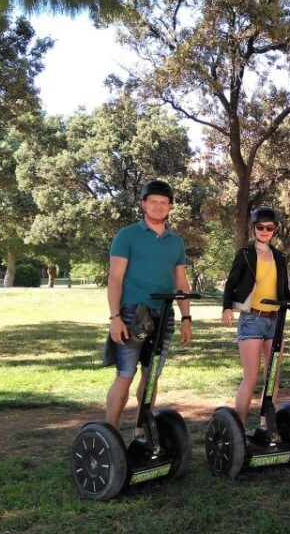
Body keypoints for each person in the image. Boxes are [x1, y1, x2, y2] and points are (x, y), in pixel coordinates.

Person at [104, 180, 193, 440]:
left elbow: (181, 282)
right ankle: (108, 435)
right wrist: (115, 318)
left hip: (164, 314)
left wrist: (187, 317)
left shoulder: (176, 242)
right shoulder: (127, 235)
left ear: (170, 207)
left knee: (151, 375)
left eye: (163, 202)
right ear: (143, 204)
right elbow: (115, 279)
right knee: (125, 375)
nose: (158, 206)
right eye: (153, 201)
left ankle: (142, 434)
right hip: (134, 314)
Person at [221, 206, 290, 430]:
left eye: (269, 227)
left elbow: (284, 291)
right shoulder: (245, 254)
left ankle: (265, 425)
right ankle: (237, 429)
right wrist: (227, 308)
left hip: (275, 321)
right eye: (260, 227)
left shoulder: (279, 257)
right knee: (251, 376)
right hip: (252, 319)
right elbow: (231, 283)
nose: (264, 231)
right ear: (254, 228)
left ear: (275, 230)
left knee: (272, 377)